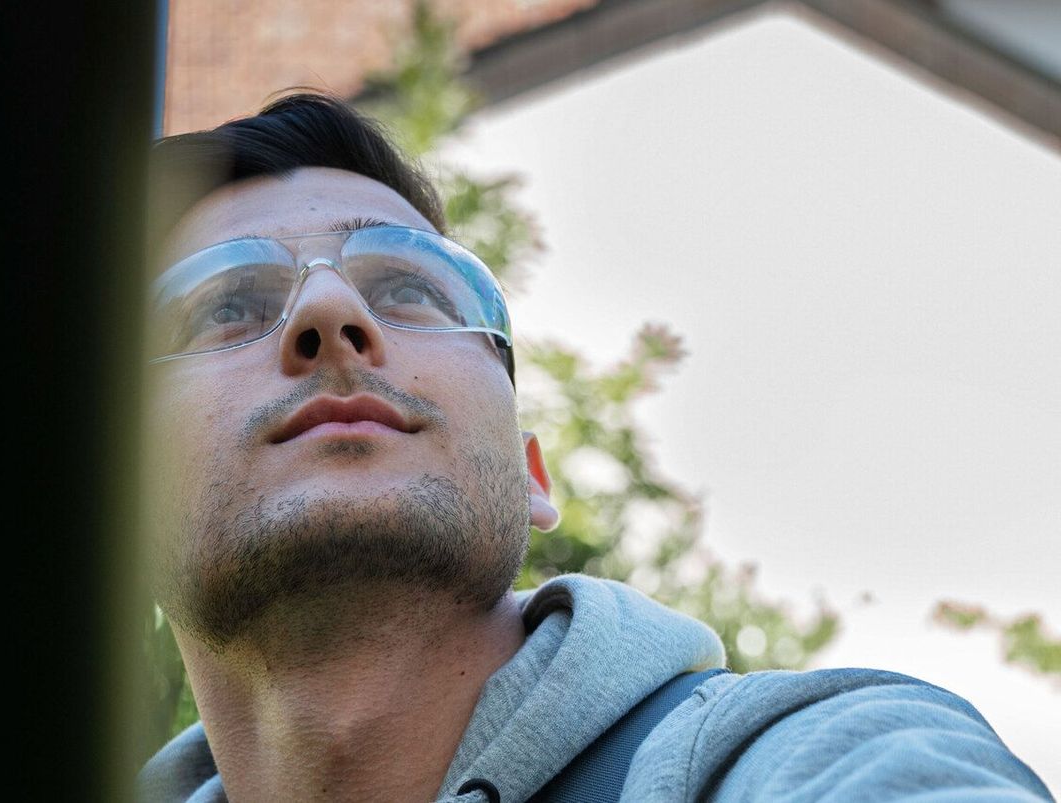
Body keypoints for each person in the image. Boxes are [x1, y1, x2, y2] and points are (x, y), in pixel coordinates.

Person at [136, 92, 1052, 803]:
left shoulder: (810, 754)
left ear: (532, 478)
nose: (331, 315)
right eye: (225, 305)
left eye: (411, 287)